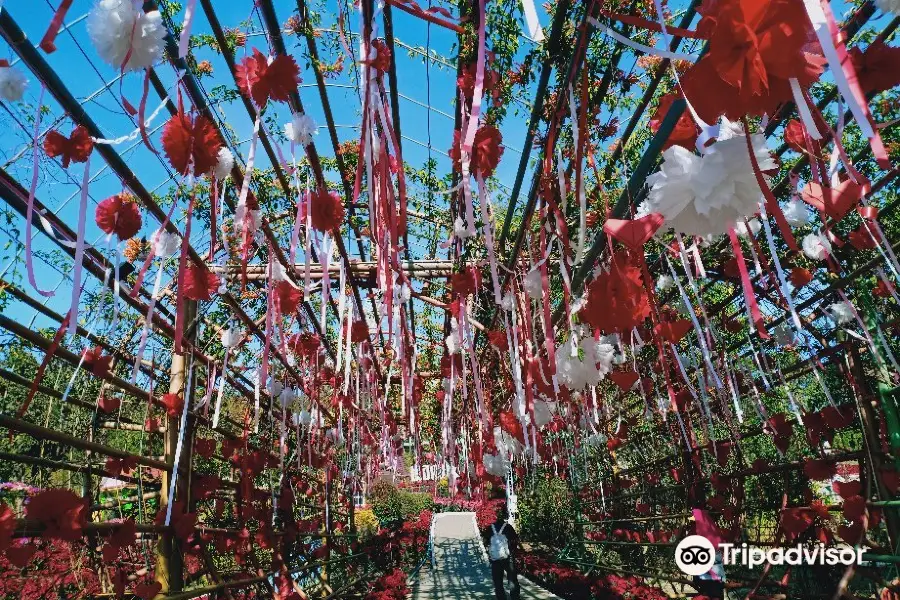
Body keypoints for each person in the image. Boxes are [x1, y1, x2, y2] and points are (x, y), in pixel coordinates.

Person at [481, 504, 521, 600]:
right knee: (512, 579)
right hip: (507, 557)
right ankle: (514, 597)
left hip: (495, 559)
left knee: (498, 582)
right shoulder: (508, 527)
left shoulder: (491, 528)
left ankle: (501, 597)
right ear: (504, 516)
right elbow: (515, 540)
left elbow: (485, 541)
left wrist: (490, 550)